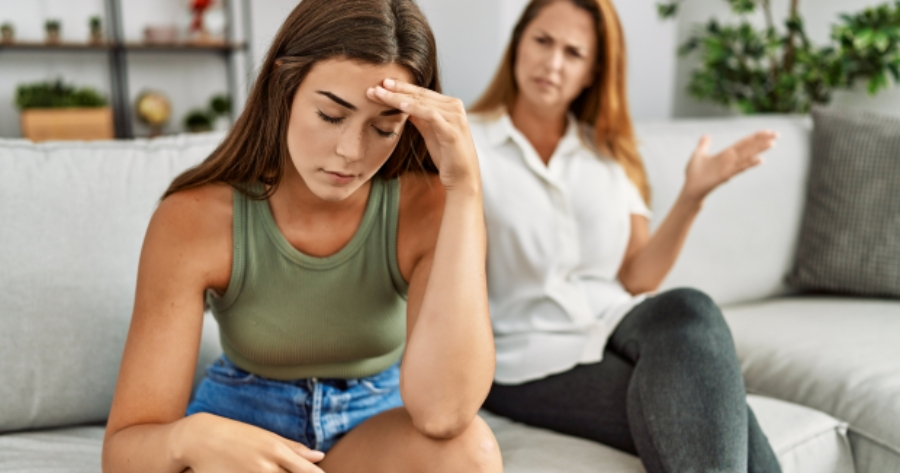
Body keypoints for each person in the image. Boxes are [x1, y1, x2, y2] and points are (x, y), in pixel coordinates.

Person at [101, 1, 502, 472]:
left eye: (383, 127)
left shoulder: (427, 206)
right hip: (242, 419)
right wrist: (192, 437)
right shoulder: (194, 218)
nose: (351, 151)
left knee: (471, 455)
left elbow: (443, 414)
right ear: (284, 87)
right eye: (331, 115)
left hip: (374, 428)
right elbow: (124, 453)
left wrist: (465, 188)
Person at [468, 0, 782, 471]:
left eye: (574, 53)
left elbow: (637, 278)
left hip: (615, 320)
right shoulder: (466, 144)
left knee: (690, 307)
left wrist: (692, 196)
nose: (552, 63)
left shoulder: (608, 154)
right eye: (542, 41)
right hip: (527, 355)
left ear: (592, 72)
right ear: (517, 44)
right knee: (715, 410)